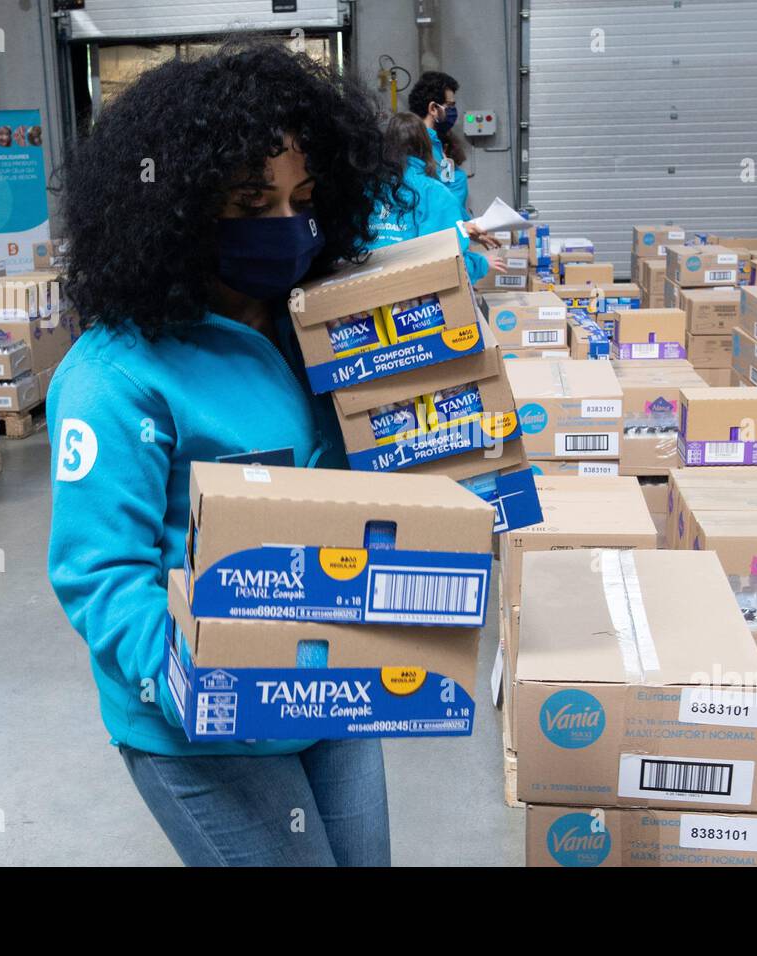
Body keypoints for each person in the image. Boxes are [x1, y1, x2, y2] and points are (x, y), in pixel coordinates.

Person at [47, 42, 403, 867]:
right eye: (251, 202)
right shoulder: (114, 378)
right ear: (173, 211)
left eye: (303, 199)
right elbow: (100, 578)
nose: (286, 228)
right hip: (203, 728)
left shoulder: (310, 328)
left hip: (329, 678)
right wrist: (202, 680)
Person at [369, 112, 503, 284]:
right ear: (426, 146)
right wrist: (481, 263)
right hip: (411, 301)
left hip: (365, 297)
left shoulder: (369, 187)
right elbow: (446, 264)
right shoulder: (433, 192)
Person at [407, 70, 500, 250]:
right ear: (433, 108)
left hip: (451, 238)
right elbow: (431, 206)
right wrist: (462, 228)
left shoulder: (436, 143)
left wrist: (466, 227)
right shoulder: (418, 148)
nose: (452, 111)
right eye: (449, 105)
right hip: (436, 244)